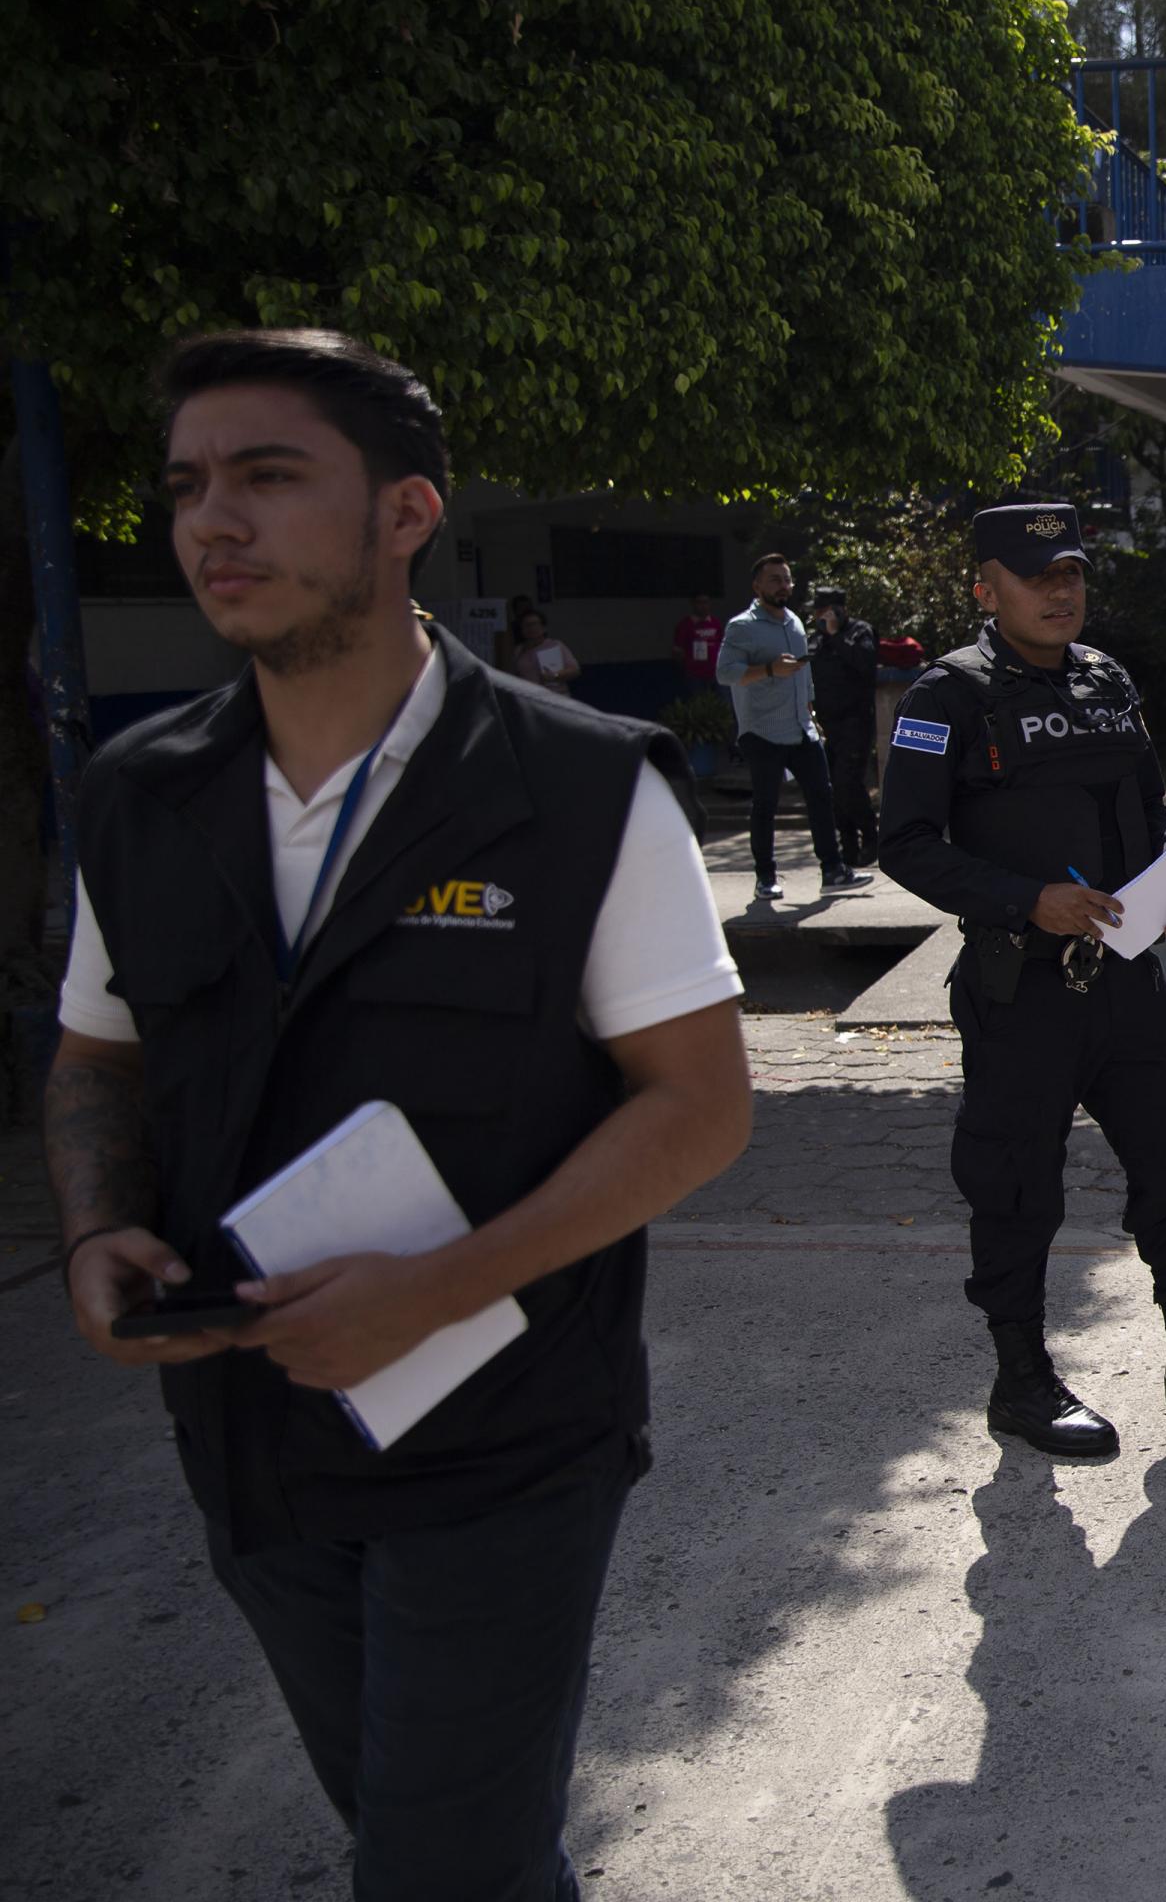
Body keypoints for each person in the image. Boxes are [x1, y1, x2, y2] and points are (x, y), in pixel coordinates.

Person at [49, 327, 752, 1901]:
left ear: (407, 513)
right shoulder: (137, 796)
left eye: (270, 478)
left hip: (501, 1443)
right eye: (186, 489)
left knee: (435, 1867)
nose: (212, 523)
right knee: (428, 1834)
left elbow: (699, 1109)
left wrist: (439, 1286)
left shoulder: (577, 789)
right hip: (247, 1431)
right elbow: (98, 1056)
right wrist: (98, 1228)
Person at [876, 502, 1166, 1455]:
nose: (1061, 591)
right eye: (1037, 575)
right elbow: (904, 843)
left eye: (1072, 574)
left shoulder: (1106, 679)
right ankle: (1021, 1381)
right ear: (985, 588)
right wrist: (1023, 899)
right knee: (1016, 1184)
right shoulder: (948, 698)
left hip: (1127, 978)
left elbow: (1154, 807)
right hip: (1024, 987)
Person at [717, 553, 870, 902]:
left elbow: (804, 675)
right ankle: (765, 877)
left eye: (786, 579)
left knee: (821, 797)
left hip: (802, 728)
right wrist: (769, 669)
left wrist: (812, 714)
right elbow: (725, 673)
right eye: (774, 580)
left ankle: (833, 870)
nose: (783, 586)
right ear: (757, 586)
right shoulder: (741, 626)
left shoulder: (795, 622)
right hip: (762, 730)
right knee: (766, 805)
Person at [808, 582, 883, 871]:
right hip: (828, 724)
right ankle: (848, 846)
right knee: (834, 789)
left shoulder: (859, 632)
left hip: (856, 721)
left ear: (841, 610)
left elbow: (865, 664)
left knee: (847, 782)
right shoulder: (816, 639)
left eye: (827, 611)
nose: (822, 617)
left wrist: (837, 634)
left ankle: (871, 837)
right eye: (819, 611)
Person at [511, 607, 583, 696]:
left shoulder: (555, 645)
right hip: (529, 699)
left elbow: (575, 670)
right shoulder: (518, 650)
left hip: (556, 696)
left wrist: (555, 676)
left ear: (543, 628)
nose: (531, 628)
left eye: (534, 624)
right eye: (526, 625)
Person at [672, 591, 726, 697]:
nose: (703, 606)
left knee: (724, 702)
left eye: (706, 602)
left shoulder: (715, 623)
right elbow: (677, 650)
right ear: (693, 604)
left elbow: (722, 645)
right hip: (695, 675)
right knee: (699, 703)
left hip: (715, 672)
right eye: (699, 603)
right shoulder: (685, 625)